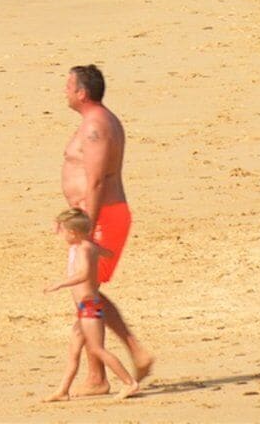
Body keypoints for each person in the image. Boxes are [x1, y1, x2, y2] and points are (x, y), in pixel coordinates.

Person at [58, 66, 156, 384]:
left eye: (69, 86)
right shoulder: (98, 121)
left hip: (103, 215)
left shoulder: (95, 126)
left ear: (82, 93)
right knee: (86, 294)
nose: (65, 91)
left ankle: (130, 353)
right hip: (97, 215)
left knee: (86, 294)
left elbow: (97, 180)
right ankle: (96, 375)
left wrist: (88, 224)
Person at [49, 208, 138, 400]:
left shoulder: (84, 249)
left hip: (90, 307)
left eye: (62, 231)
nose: (60, 235)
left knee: (97, 349)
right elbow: (109, 253)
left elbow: (83, 274)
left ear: (72, 233)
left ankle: (129, 383)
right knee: (73, 351)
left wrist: (60, 284)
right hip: (84, 309)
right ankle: (62, 391)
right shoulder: (86, 246)